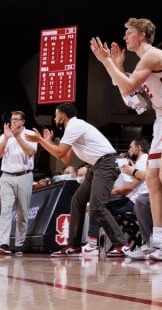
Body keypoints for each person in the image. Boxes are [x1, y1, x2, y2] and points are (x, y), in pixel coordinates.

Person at [90, 17, 162, 258]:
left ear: (141, 35)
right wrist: (116, 68)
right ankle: (157, 238)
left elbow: (128, 88)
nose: (125, 38)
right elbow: (135, 103)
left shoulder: (153, 55)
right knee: (152, 177)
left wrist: (107, 62)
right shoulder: (143, 62)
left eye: (128, 33)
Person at [25, 103, 129, 258]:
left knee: (96, 206)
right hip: (96, 166)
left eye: (56, 114)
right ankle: (74, 246)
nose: (54, 118)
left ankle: (122, 244)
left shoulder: (75, 125)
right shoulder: (72, 130)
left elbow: (60, 154)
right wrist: (48, 142)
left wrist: (41, 140)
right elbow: (66, 158)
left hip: (106, 164)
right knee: (77, 200)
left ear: (63, 115)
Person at [0, 110, 38, 256]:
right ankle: (4, 244)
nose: (14, 122)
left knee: (22, 213)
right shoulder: (4, 136)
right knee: (5, 211)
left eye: (17, 120)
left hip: (24, 176)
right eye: (12, 119)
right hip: (6, 176)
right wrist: (6, 139)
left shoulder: (30, 134)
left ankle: (19, 244)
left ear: (23, 122)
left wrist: (18, 137)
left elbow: (30, 152)